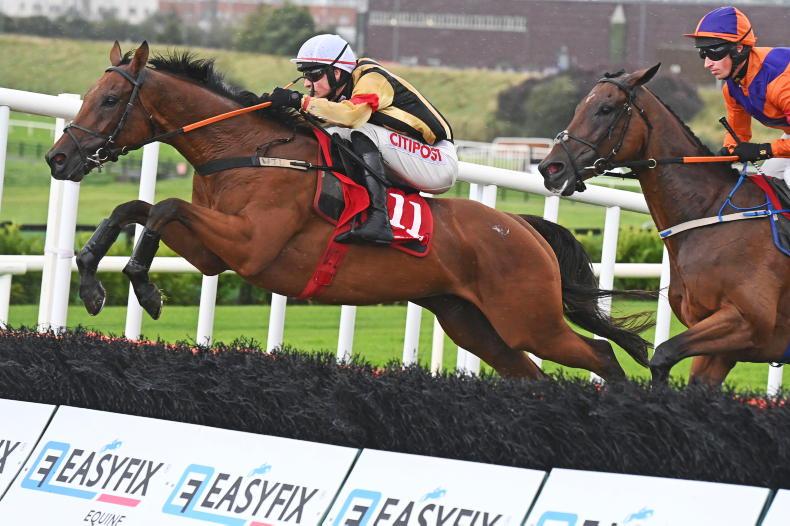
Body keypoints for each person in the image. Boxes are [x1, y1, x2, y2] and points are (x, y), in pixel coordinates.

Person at [267, 34, 458, 245]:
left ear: (336, 72)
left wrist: (299, 101)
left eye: (313, 75)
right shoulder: (343, 87)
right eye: (304, 75)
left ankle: (380, 219)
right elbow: (321, 121)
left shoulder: (372, 79)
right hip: (411, 156)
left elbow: (352, 116)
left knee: (359, 130)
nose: (306, 83)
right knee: (334, 134)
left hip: (437, 161)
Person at [685, 6, 790, 186]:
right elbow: (738, 133)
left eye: (713, 53)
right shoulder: (732, 89)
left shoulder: (781, 81)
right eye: (703, 54)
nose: (707, 64)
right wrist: (727, 154)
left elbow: (763, 150)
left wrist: (762, 150)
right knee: (766, 185)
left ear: (739, 49)